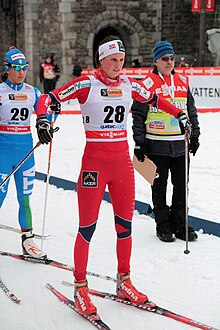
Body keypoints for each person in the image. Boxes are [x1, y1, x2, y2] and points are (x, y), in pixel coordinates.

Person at [35, 36, 189, 317]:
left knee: (125, 226)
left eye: (121, 60)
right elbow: (48, 98)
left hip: (121, 166)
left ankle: (124, 281)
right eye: (112, 60)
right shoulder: (86, 85)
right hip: (94, 166)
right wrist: (43, 118)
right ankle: (80, 287)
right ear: (100, 60)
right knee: (87, 228)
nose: (118, 65)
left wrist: (180, 113)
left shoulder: (130, 85)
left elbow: (157, 99)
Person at [132, 41, 200, 243]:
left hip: (180, 145)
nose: (169, 62)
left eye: (171, 58)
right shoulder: (147, 84)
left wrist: (195, 134)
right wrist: (139, 142)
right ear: (156, 61)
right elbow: (138, 115)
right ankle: (163, 224)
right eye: (165, 59)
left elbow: (190, 110)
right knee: (159, 187)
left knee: (181, 186)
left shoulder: (182, 80)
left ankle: (180, 224)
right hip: (157, 144)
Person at [0, 46, 47, 259]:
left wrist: (45, 123)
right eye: (17, 68)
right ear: (7, 68)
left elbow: (45, 111)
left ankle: (28, 241)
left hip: (26, 152)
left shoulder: (32, 92)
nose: (21, 72)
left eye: (24, 68)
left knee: (24, 198)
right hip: (3, 151)